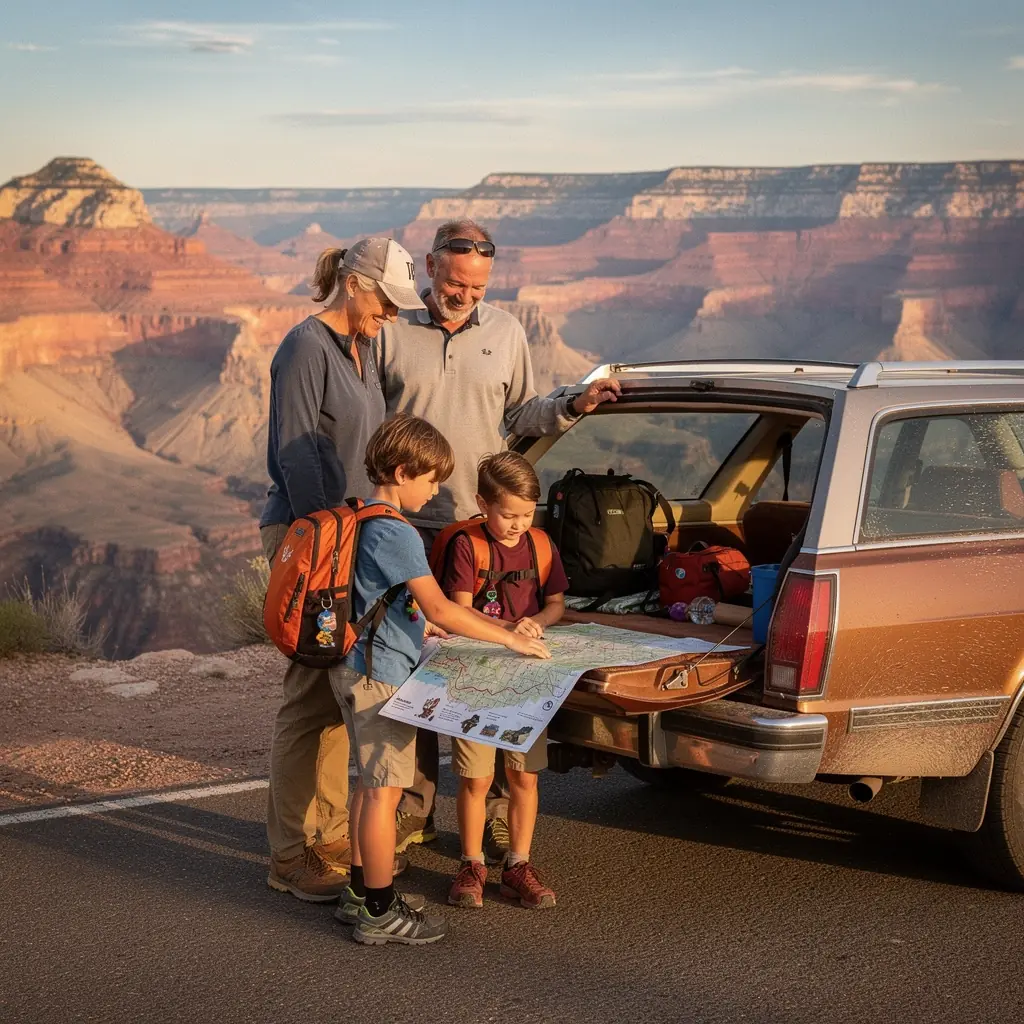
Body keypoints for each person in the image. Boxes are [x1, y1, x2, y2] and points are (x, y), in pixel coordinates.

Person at [375, 218, 621, 861]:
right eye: (455, 284)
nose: (464, 296)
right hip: (408, 524)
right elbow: (369, 423)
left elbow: (521, 413)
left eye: (478, 288)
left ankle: (497, 813)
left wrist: (574, 402)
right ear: (431, 266)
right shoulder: (392, 328)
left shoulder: (507, 331)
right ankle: (414, 810)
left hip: (478, 527)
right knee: (414, 668)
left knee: (491, 660)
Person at [331, 415, 550, 946]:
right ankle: (380, 912)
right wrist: (510, 639)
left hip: (353, 665)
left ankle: (359, 892)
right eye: (430, 480)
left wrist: (419, 623)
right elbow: (442, 609)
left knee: (368, 788)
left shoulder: (360, 516)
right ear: (402, 472)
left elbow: (390, 601)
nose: (433, 493)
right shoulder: (397, 531)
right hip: (381, 675)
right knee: (384, 794)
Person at [260, 237, 427, 902]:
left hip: (350, 537)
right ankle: (288, 855)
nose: (392, 313)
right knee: (309, 696)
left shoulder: (362, 345)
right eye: (386, 300)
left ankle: (329, 835)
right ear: (354, 284)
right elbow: (296, 455)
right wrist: (332, 551)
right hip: (315, 539)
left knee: (338, 691)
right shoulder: (305, 347)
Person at [440, 452, 567, 910]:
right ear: (483, 504)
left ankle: (518, 865)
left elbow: (556, 604)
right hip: (476, 676)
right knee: (476, 779)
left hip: (528, 680)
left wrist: (536, 622)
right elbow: (459, 610)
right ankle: (471, 863)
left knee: (523, 776)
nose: (518, 525)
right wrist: (508, 630)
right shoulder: (467, 545)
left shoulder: (541, 544)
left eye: (527, 514)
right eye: (509, 515)